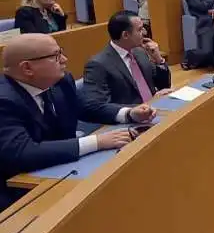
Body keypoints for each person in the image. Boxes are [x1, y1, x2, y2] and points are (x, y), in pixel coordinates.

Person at [0, 34, 156, 209]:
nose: (65, 60)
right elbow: (22, 153)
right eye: (56, 56)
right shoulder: (4, 101)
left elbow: (85, 108)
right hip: (17, 193)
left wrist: (128, 113)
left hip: (63, 173)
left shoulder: (60, 81)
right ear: (27, 68)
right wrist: (97, 142)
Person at [82, 11, 172, 108]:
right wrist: (137, 109)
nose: (145, 32)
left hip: (155, 109)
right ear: (125, 35)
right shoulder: (98, 65)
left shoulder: (140, 52)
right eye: (140, 30)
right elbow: (98, 106)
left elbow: (164, 86)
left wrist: (158, 60)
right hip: (131, 119)